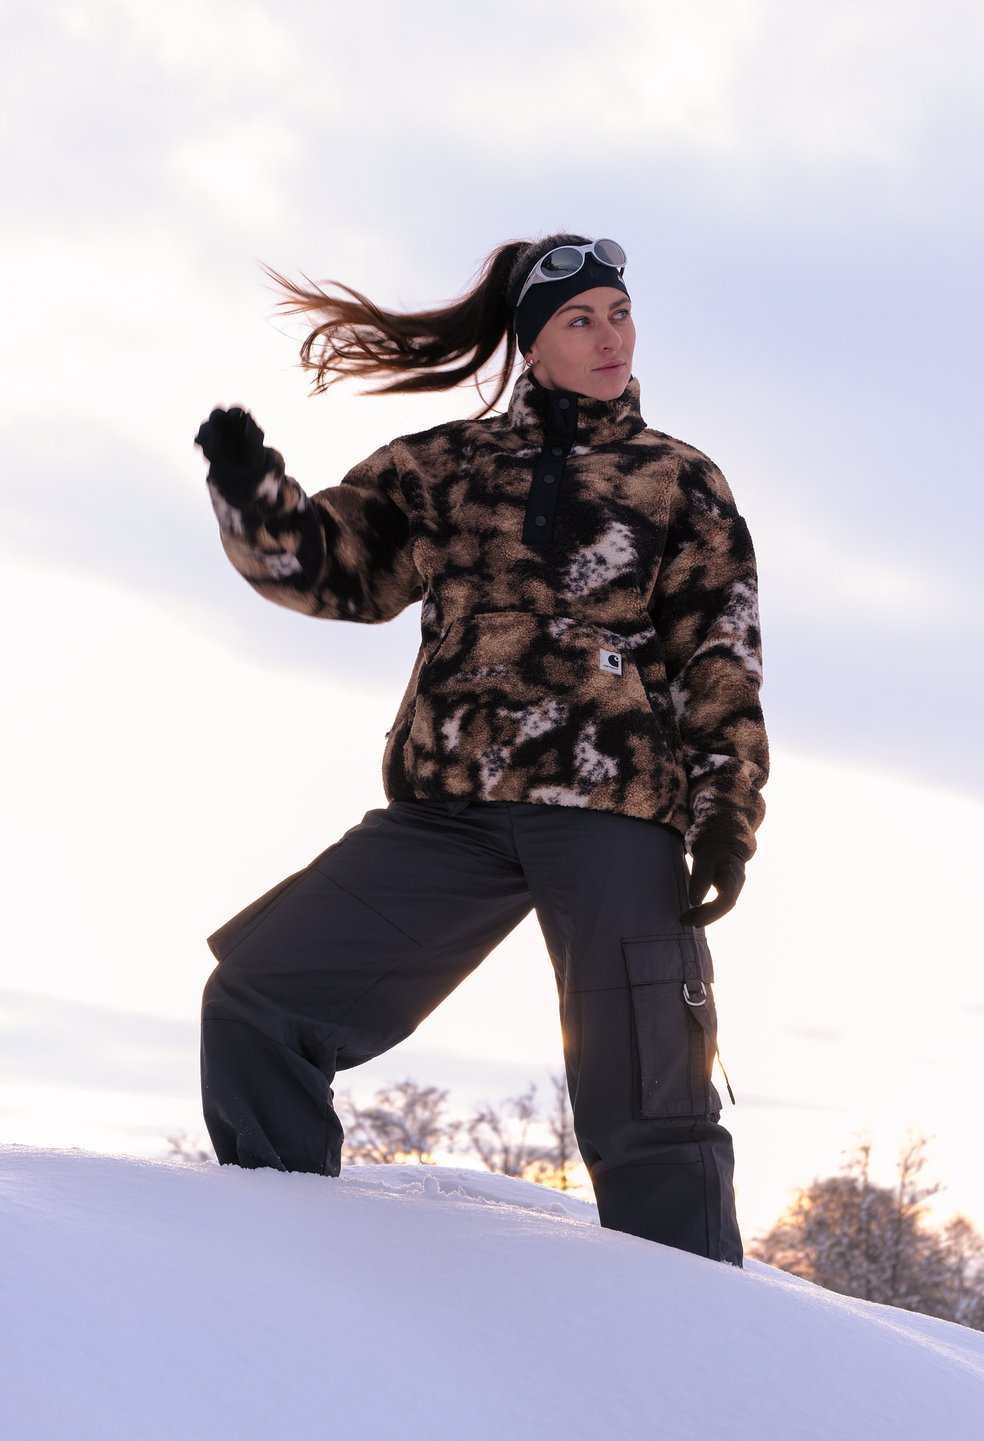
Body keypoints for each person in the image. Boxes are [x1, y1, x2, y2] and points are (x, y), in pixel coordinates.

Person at [195, 233, 768, 1265]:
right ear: (531, 345)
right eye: (579, 320)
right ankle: (277, 1267)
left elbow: (717, 658)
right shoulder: (445, 466)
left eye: (619, 313)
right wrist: (253, 494)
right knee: (260, 1000)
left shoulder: (678, 480)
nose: (609, 337)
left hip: (610, 814)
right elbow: (336, 573)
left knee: (650, 1111)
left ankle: (697, 1372)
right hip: (447, 811)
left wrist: (728, 816)